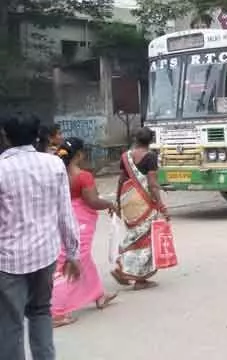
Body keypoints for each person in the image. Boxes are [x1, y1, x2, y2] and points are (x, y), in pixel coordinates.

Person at [0, 115, 81, 360]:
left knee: (10, 323)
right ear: (38, 136)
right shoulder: (54, 165)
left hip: (8, 261)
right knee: (41, 312)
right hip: (45, 255)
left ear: (5, 136)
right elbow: (65, 212)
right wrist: (73, 253)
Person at [51, 137, 119, 327]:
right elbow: (92, 201)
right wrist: (109, 204)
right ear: (79, 155)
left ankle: (98, 295)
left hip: (60, 219)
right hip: (79, 223)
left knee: (84, 258)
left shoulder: (57, 173)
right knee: (73, 261)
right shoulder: (83, 176)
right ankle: (56, 312)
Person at [112, 126, 170, 290]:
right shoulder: (150, 157)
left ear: (135, 139)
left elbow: (121, 180)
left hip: (127, 199)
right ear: (150, 141)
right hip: (144, 202)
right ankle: (135, 276)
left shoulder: (125, 156)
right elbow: (152, 184)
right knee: (145, 238)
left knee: (133, 234)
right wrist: (161, 204)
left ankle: (125, 268)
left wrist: (117, 202)